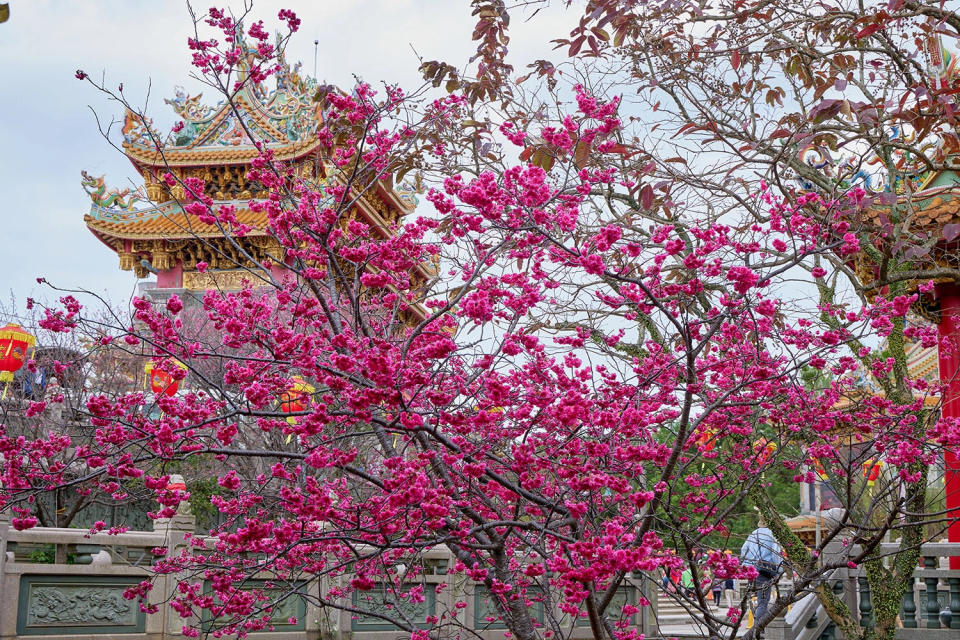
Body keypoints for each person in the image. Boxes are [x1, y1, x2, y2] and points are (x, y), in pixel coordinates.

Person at [740, 517, 783, 633]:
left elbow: (743, 550)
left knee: (752, 598)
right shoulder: (772, 535)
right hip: (764, 571)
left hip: (751, 570)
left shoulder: (753, 534)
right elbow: (775, 554)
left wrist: (747, 563)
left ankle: (754, 623)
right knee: (763, 602)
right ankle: (759, 630)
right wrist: (778, 570)